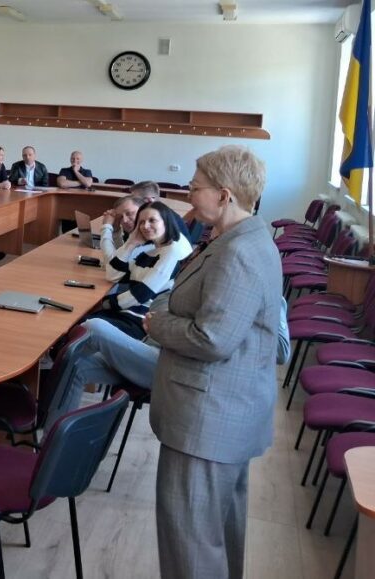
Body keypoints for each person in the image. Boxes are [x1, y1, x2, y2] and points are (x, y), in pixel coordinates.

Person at [147, 145, 281, 579]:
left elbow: (213, 338)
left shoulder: (239, 252)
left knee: (190, 546)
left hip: (208, 419)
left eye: (195, 186)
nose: (188, 193)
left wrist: (156, 323)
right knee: (215, 537)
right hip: (224, 411)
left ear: (224, 196)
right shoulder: (238, 239)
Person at [42, 296, 291, 432]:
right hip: (153, 347)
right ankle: (49, 447)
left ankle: (46, 366)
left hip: (176, 367)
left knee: (94, 328)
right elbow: (163, 301)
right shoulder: (213, 283)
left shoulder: (269, 299)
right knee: (77, 366)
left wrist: (225, 326)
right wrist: (166, 319)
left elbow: (281, 351)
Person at [85, 201, 192, 340]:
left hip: (140, 322)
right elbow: (113, 275)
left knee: (82, 327)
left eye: (152, 220)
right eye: (141, 222)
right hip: (127, 313)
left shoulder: (171, 253)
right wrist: (131, 243)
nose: (145, 226)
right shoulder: (152, 252)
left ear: (166, 222)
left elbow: (140, 295)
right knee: (79, 326)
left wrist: (106, 303)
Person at [100, 195, 149, 264]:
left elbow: (113, 264)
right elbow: (121, 256)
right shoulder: (136, 235)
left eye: (129, 213)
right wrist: (115, 229)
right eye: (120, 217)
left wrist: (106, 226)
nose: (125, 220)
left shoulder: (150, 238)